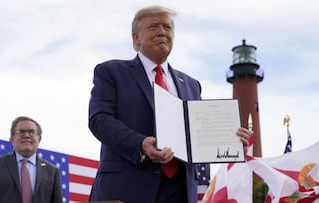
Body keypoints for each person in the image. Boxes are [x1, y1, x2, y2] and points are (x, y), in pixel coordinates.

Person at [88, 5, 250, 203]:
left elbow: (199, 136)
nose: (162, 32)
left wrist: (231, 138)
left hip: (180, 190)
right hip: (127, 187)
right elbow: (99, 120)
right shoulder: (111, 72)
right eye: (154, 26)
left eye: (167, 27)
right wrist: (140, 144)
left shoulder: (192, 85)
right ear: (136, 38)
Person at [0, 116, 63, 203]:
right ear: (12, 139)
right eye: (21, 132)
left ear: (39, 139)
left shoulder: (52, 171)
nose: (27, 135)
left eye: (32, 132)